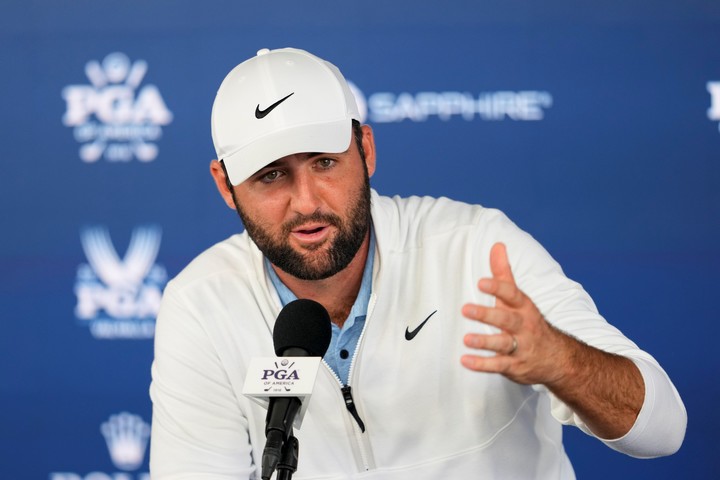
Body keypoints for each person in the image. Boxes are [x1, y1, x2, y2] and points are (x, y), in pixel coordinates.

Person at [149, 47, 686, 479]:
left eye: (325, 162)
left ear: (366, 149)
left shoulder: (475, 250)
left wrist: (561, 361)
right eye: (271, 176)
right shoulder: (202, 302)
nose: (307, 200)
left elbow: (663, 430)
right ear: (226, 186)